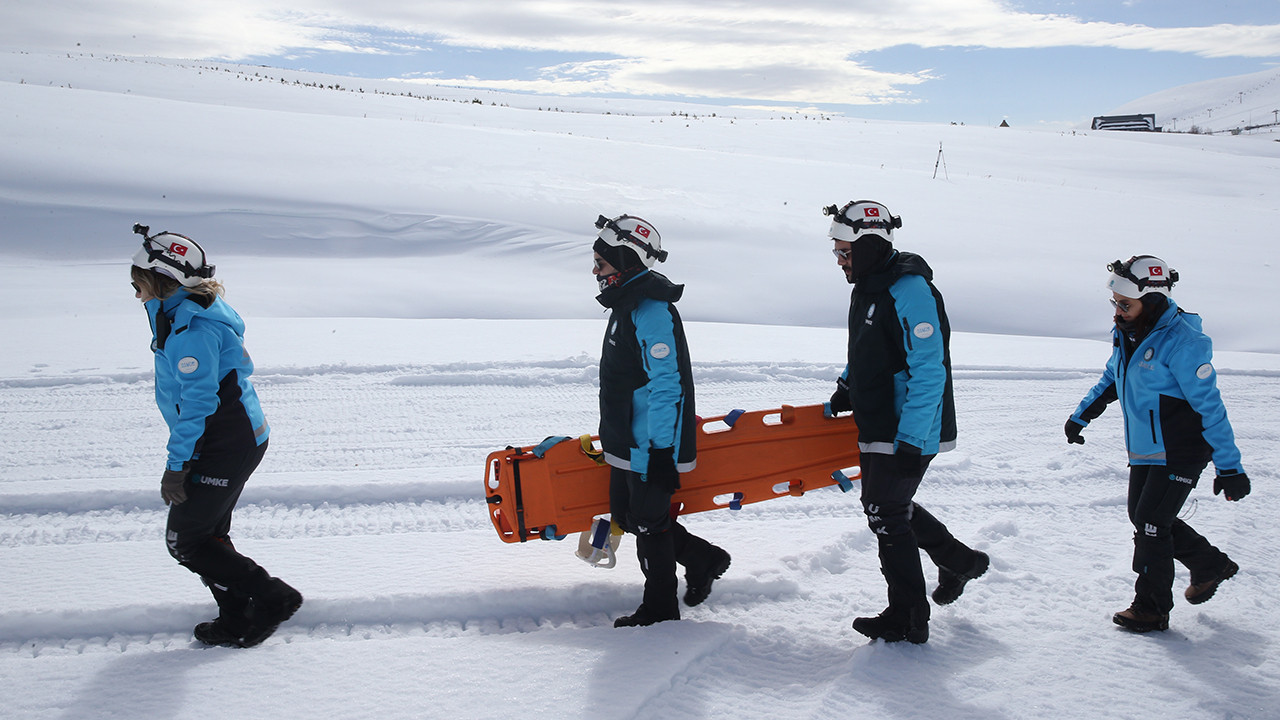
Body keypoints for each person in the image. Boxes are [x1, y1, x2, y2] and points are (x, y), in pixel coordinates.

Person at [823, 200, 989, 644]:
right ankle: (958, 561)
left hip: (907, 426)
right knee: (885, 506)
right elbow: (865, 347)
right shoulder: (868, 286)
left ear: (870, 244)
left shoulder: (910, 289)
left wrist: (913, 438)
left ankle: (909, 616)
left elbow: (930, 369)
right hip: (877, 418)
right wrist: (847, 384)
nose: (839, 261)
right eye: (836, 252)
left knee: (885, 511)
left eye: (844, 252)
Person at [130, 223, 303, 647]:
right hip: (225, 439)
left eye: (139, 284)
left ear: (165, 282)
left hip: (226, 442)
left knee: (184, 541)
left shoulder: (195, 332)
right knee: (207, 536)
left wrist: (178, 466)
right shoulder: (175, 312)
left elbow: (199, 406)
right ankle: (235, 616)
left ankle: (273, 598)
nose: (135, 294)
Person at [1065, 255, 1248, 633]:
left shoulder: (1184, 343)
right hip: (1147, 447)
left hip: (1181, 449)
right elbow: (1114, 377)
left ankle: (1151, 608)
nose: (1116, 311)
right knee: (1146, 518)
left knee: (1151, 523)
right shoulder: (1130, 333)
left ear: (1150, 299)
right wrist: (1082, 413)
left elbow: (1211, 408)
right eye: (1114, 303)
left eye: (1124, 304)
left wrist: (1229, 467)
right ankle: (1209, 564)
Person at [591, 213, 732, 627]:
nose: (595, 271)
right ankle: (703, 558)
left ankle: (659, 609)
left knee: (650, 524)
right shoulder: (626, 303)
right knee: (631, 516)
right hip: (625, 441)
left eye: (601, 263)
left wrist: (661, 452)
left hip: (650, 445)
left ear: (626, 259)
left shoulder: (652, 310)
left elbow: (667, 387)